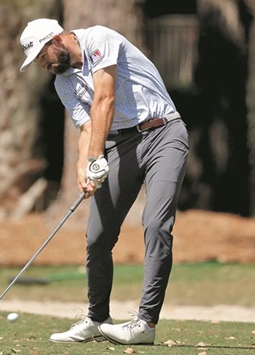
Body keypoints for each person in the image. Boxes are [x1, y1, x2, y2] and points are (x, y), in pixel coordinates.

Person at [19, 18, 189, 345]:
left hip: (163, 133)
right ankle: (97, 318)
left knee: (155, 225)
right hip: (120, 145)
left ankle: (145, 323)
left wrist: (97, 157)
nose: (44, 66)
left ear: (56, 39)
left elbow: (105, 98)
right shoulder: (63, 83)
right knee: (97, 236)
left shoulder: (99, 38)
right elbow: (86, 128)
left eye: (43, 57)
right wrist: (84, 167)